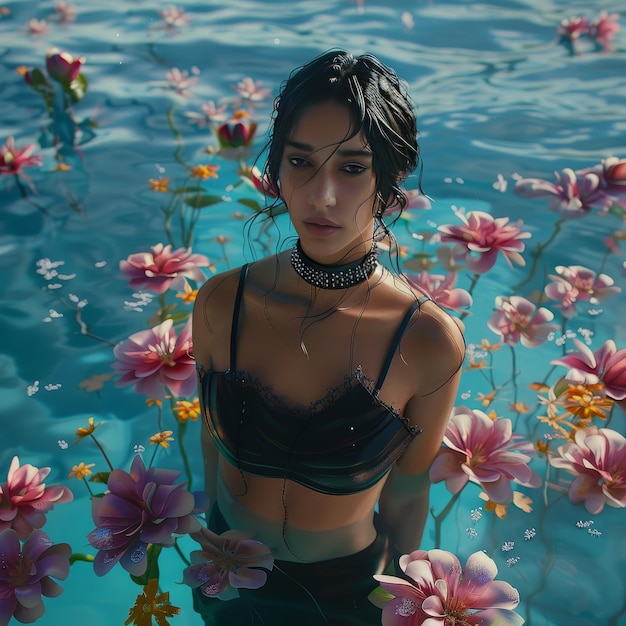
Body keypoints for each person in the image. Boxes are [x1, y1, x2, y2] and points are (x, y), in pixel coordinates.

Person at [191, 49, 465, 625]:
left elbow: (410, 490)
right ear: (276, 172)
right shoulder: (222, 303)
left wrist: (405, 602)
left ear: (389, 180)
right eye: (300, 162)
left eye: (352, 166)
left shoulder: (426, 340)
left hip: (348, 594)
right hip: (226, 568)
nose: (321, 197)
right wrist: (208, 549)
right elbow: (213, 446)